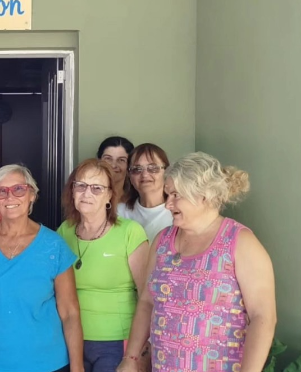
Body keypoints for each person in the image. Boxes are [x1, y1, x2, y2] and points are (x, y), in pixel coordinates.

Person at [118, 152, 276, 372]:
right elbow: (147, 302)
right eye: (168, 194)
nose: (168, 204)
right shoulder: (163, 241)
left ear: (203, 196)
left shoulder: (240, 243)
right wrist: (131, 358)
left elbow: (263, 318)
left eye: (176, 195)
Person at [0, 164, 83, 372]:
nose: (10, 197)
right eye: (1, 191)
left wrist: (77, 367)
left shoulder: (54, 246)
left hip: (46, 364)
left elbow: (69, 312)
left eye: (19, 189)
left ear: (32, 195)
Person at [57, 159, 148, 372]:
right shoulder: (64, 232)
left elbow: (147, 297)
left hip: (116, 343)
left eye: (97, 188)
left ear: (109, 195)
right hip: (70, 340)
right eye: (81, 186)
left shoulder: (130, 232)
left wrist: (137, 354)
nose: (87, 193)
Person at [117, 143, 173, 243]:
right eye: (137, 169)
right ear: (129, 175)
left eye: (153, 168)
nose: (145, 175)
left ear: (166, 172)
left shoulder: (178, 212)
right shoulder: (120, 213)